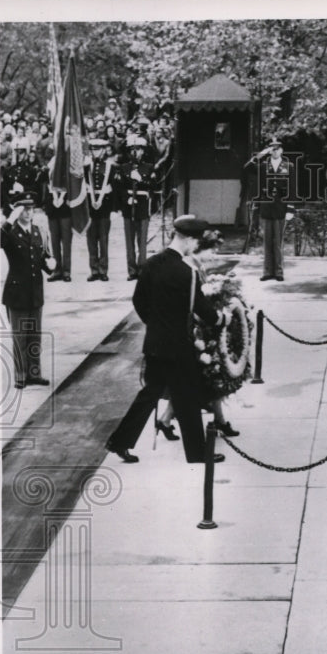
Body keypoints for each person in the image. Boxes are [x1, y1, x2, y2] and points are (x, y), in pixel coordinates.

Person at [105, 216, 226, 465]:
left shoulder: (151, 264)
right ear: (189, 239)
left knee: (149, 395)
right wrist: (221, 319)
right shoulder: (187, 272)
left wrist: (157, 326)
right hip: (179, 347)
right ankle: (197, 453)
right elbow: (204, 311)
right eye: (196, 241)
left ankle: (119, 442)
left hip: (156, 343)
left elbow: (139, 301)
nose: (196, 247)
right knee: (188, 397)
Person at [156, 230, 240, 440]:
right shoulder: (188, 268)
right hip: (192, 333)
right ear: (198, 248)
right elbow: (194, 303)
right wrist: (218, 316)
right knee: (205, 379)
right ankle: (215, 423)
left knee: (202, 380)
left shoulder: (198, 267)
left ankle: (168, 421)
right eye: (212, 250)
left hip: (199, 329)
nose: (214, 255)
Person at [0, 193, 57, 388]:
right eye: (23, 208)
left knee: (35, 336)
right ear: (16, 210)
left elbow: (42, 259)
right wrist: (9, 220)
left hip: (35, 292)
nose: (28, 211)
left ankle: (34, 373)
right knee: (20, 337)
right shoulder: (10, 232)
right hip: (17, 293)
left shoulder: (38, 231)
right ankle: (21, 376)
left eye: (30, 208)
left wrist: (51, 265)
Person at [252, 138, 295, 281]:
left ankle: (278, 271)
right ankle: (267, 271)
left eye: (277, 148)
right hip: (266, 207)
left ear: (282, 150)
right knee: (267, 241)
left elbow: (292, 188)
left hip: (281, 208)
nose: (275, 151)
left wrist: (290, 208)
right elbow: (253, 177)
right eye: (272, 149)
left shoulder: (289, 166)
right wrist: (257, 205)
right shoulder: (263, 166)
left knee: (278, 242)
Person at [118, 138, 154, 280]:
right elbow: (119, 187)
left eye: (138, 149)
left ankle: (142, 268)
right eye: (132, 149)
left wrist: (141, 180)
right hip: (128, 206)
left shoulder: (149, 167)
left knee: (142, 239)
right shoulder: (124, 167)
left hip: (142, 206)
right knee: (129, 239)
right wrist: (125, 198)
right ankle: (132, 270)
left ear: (143, 151)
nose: (135, 152)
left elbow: (153, 186)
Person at [84, 138, 119, 281]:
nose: (96, 152)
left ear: (104, 150)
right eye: (93, 149)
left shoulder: (110, 166)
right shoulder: (87, 166)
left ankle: (103, 270)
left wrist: (115, 208)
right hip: (90, 206)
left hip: (104, 205)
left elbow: (114, 187)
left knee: (103, 239)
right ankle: (94, 270)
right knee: (91, 239)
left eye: (98, 149)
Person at [40, 158, 74, 282]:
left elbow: (72, 185)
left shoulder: (68, 167)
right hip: (52, 209)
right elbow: (41, 180)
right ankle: (57, 270)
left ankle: (66, 271)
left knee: (66, 241)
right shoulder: (50, 166)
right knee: (54, 241)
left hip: (65, 207)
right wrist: (47, 168)